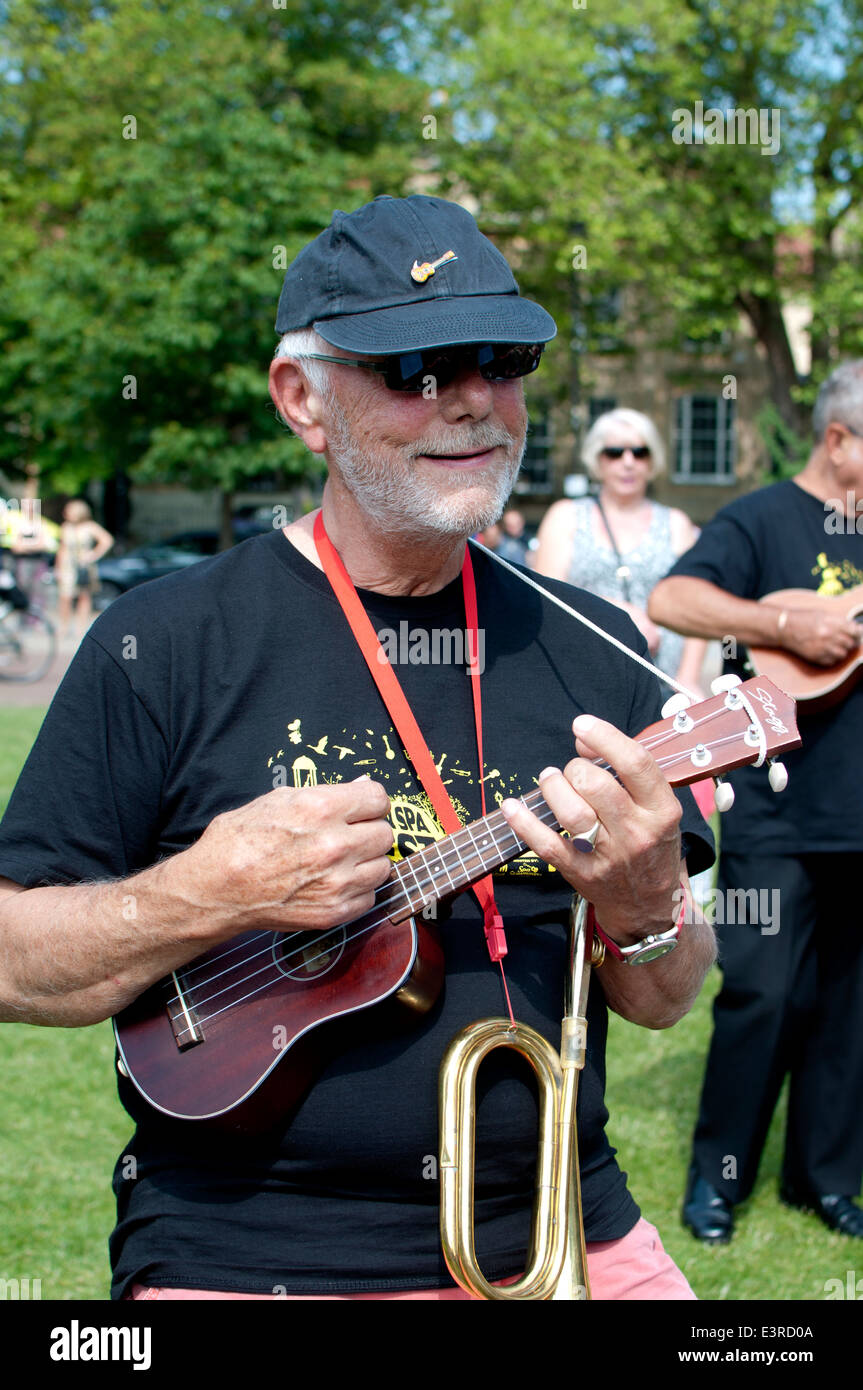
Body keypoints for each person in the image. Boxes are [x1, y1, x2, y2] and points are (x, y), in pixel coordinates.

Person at [0, 194, 715, 1301]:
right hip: (247, 1243)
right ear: (303, 399)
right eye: (415, 367)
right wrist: (203, 892)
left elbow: (666, 998)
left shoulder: (598, 646)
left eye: (503, 357)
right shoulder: (162, 640)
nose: (473, 400)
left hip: (559, 1227)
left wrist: (647, 901)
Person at [649, 360, 863, 1243]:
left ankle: (826, 1178)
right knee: (762, 994)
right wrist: (785, 625)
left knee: (851, 1004)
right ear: (839, 439)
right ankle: (716, 1182)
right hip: (776, 807)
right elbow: (672, 597)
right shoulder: (761, 517)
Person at [534, 410, 707, 692]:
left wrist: (688, 679)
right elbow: (546, 601)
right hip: (586, 681)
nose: (628, 462)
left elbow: (697, 609)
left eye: (640, 452)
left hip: (664, 688)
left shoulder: (676, 523)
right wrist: (615, 613)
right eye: (614, 452)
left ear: (652, 461)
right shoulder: (566, 516)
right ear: (596, 459)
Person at [55, 498, 114, 638]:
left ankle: (80, 627)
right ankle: (64, 626)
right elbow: (61, 549)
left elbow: (107, 540)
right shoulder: (65, 527)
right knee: (65, 597)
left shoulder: (90, 526)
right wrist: (57, 567)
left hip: (84, 566)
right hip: (68, 566)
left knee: (84, 596)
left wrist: (93, 554)